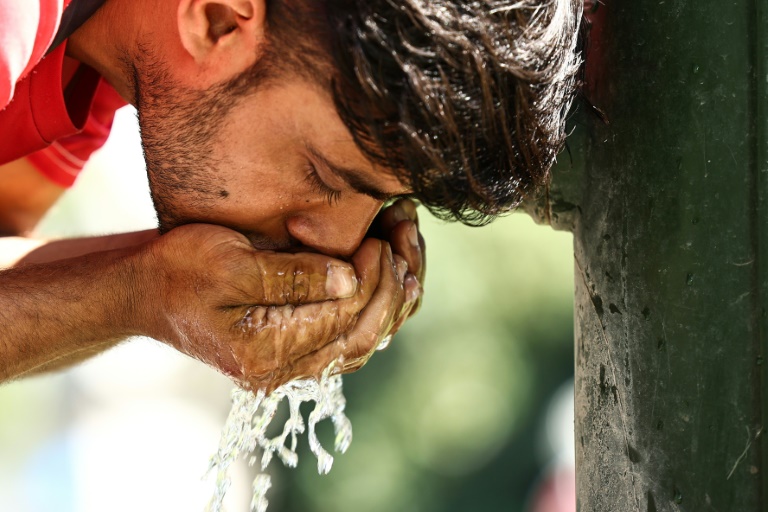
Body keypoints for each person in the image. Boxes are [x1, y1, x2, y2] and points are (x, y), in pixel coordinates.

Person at [0, 0, 583, 392]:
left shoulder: (94, 63)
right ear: (220, 19)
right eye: (327, 177)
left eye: (379, 204)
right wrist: (132, 296)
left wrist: (167, 278)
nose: (337, 248)